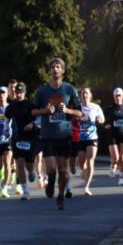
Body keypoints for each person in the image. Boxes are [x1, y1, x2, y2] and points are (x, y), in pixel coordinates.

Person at [32, 58, 82, 211]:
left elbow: (79, 112)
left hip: (65, 135)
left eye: (58, 66)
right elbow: (33, 111)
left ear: (63, 71)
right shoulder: (42, 91)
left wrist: (67, 110)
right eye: (52, 67)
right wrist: (45, 111)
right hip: (48, 135)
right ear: (49, 71)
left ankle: (60, 195)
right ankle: (50, 182)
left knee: (63, 170)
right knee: (52, 169)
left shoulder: (69, 90)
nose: (55, 69)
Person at [5, 82, 37, 200]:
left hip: (30, 138)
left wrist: (32, 124)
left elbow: (38, 119)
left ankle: (31, 171)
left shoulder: (31, 105)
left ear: (24, 93)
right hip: (16, 138)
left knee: (28, 164)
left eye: (21, 93)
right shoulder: (11, 106)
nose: (18, 95)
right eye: (17, 93)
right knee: (19, 163)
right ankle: (25, 191)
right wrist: (6, 130)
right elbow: (6, 120)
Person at [75, 87, 105, 196]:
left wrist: (100, 120)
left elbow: (102, 118)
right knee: (81, 163)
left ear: (90, 95)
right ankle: (83, 170)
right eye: (82, 93)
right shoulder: (78, 108)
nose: (84, 95)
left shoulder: (95, 107)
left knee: (90, 161)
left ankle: (87, 187)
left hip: (92, 137)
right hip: (80, 138)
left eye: (86, 93)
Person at [104, 87, 123, 185]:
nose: (118, 97)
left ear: (122, 96)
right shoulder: (109, 108)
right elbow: (102, 119)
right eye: (116, 95)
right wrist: (105, 124)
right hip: (112, 135)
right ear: (113, 96)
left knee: (122, 158)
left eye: (119, 95)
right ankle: (112, 165)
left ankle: (121, 178)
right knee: (115, 158)